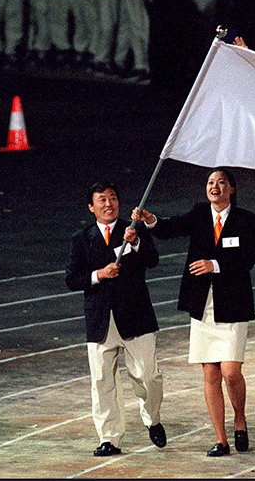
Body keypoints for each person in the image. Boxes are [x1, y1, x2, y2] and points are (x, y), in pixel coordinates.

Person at [132, 168, 255, 456]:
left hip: (233, 304)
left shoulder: (245, 219)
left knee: (230, 371)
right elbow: (170, 228)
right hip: (203, 305)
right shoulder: (200, 213)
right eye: (210, 182)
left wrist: (214, 264)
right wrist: (150, 220)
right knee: (211, 373)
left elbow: (248, 258)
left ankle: (240, 419)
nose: (214, 187)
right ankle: (221, 438)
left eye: (221, 183)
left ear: (232, 190)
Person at [65, 181, 166, 457]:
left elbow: (153, 260)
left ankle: (152, 418)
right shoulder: (81, 239)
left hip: (135, 316)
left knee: (148, 375)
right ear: (91, 207)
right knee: (102, 382)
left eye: (112, 198)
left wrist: (135, 244)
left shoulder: (133, 229)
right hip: (100, 320)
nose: (108, 204)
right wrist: (99, 274)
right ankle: (109, 437)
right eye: (101, 200)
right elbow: (72, 279)